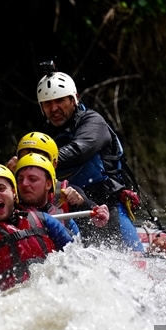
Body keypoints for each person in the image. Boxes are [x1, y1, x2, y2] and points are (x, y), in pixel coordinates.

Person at [36, 69, 144, 252]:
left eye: (60, 100)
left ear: (74, 99)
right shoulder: (42, 135)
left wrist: (37, 161)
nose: (54, 108)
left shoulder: (93, 122)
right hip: (66, 208)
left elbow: (80, 150)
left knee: (132, 257)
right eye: (47, 103)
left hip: (106, 204)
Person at [14, 152, 110, 238]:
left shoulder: (66, 203)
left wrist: (86, 205)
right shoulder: (11, 211)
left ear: (48, 184)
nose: (24, 184)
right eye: (20, 180)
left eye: (32, 179)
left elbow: (94, 213)